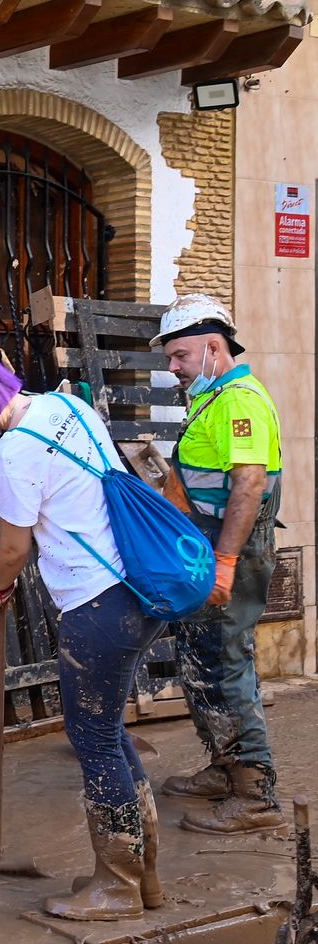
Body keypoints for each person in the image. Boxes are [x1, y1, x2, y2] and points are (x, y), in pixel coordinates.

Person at [0, 329, 165, 922]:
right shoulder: (67, 405)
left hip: (95, 604)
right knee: (110, 732)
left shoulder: (13, 453)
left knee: (95, 739)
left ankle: (117, 885)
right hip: (134, 590)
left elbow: (12, 547)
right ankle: (142, 874)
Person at [152, 294, 286, 835]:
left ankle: (256, 793)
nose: (172, 367)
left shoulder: (240, 402)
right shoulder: (212, 399)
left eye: (179, 355)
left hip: (234, 549)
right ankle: (225, 767)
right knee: (202, 658)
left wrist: (226, 562)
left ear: (213, 347)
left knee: (228, 662)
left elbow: (249, 486)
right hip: (207, 548)